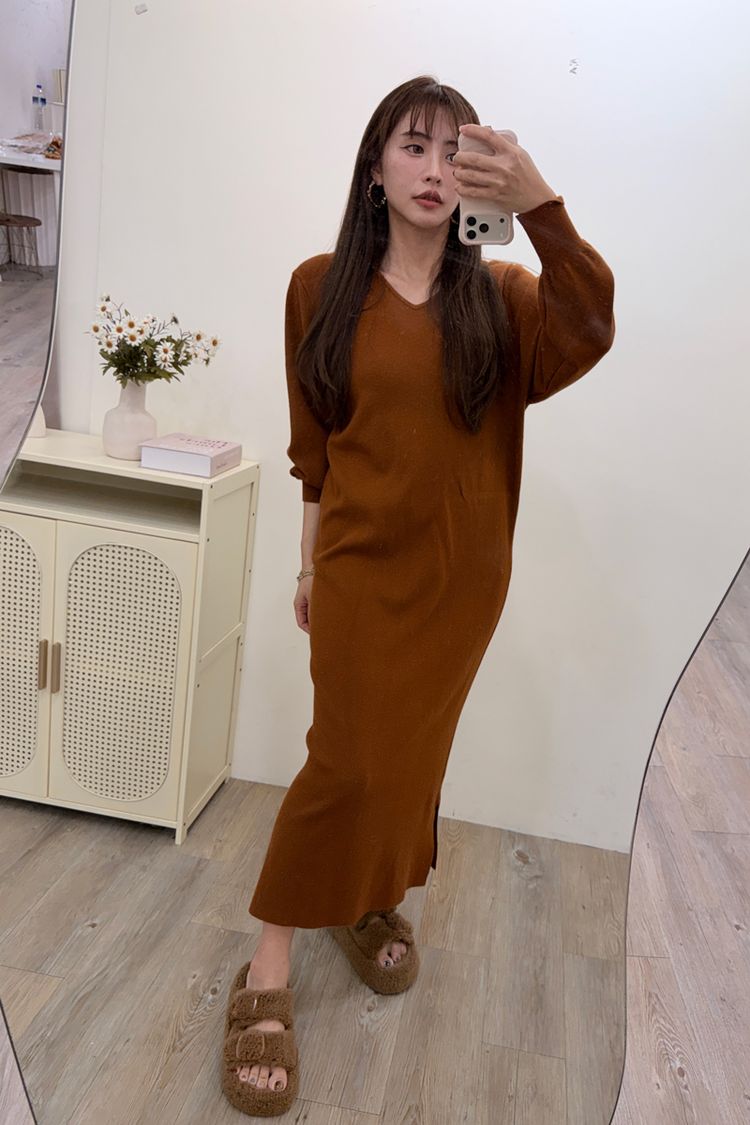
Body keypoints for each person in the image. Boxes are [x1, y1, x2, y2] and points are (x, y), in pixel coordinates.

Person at [222, 75, 616, 1114]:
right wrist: (308, 564)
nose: (435, 169)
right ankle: (268, 960)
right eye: (414, 145)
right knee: (346, 761)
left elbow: (592, 323)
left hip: (461, 582)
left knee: (410, 758)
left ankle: (367, 902)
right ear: (375, 167)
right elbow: (314, 449)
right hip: (358, 571)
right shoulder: (318, 288)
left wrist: (539, 202)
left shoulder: (507, 301)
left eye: (455, 152)